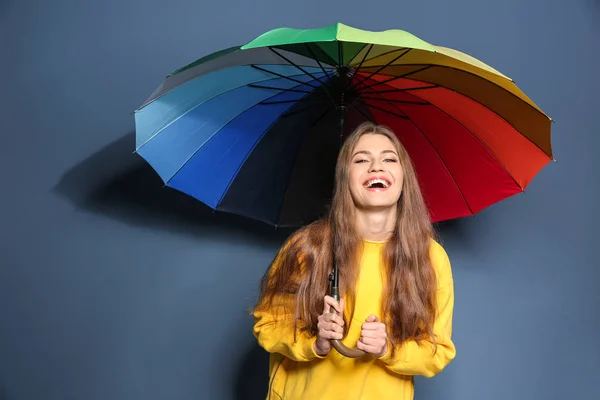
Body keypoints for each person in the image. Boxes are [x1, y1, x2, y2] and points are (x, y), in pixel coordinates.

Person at [252, 122, 456, 400]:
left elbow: (438, 351)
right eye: (361, 159)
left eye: (389, 158)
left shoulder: (430, 257)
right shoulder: (306, 246)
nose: (376, 167)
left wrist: (388, 348)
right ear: (345, 176)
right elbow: (267, 326)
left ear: (404, 176)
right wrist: (316, 341)